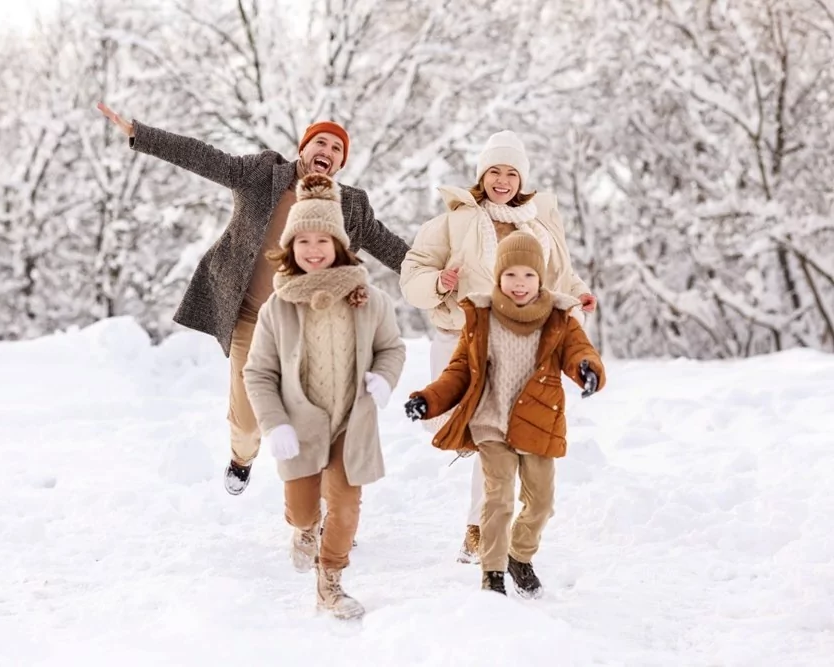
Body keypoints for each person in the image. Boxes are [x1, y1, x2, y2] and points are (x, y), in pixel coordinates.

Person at [97, 103, 409, 495]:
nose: (326, 152)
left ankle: (326, 504)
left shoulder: (350, 205)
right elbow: (204, 157)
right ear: (304, 148)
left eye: (336, 149)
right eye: (321, 143)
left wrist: (436, 272)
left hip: (313, 327)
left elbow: (390, 247)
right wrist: (140, 134)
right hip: (252, 318)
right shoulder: (263, 174)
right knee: (246, 423)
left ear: (341, 163)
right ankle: (242, 457)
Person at [399, 129, 597, 563]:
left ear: (522, 178)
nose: (502, 181)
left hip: (519, 341)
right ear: (482, 175)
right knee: (467, 428)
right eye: (494, 171)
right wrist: (438, 282)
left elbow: (559, 273)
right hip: (459, 336)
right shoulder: (455, 220)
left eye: (511, 172)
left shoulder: (539, 223)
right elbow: (412, 272)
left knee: (498, 435)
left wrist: (578, 296)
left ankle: (478, 528)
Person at [404, 231, 605, 597]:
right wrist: (428, 400)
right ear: (498, 277)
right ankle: (493, 573)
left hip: (540, 422)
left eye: (528, 275)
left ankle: (520, 557)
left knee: (541, 501)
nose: (519, 283)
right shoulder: (481, 318)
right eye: (511, 275)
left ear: (540, 278)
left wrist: (588, 370)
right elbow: (458, 372)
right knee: (497, 498)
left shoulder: (559, 318)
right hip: (491, 422)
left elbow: (580, 352)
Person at [242, 174, 406, 619]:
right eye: (303, 241)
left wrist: (385, 378)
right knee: (301, 509)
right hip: (299, 423)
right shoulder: (277, 307)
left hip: (351, 423)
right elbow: (258, 372)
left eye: (323, 240)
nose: (313, 250)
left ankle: (330, 582)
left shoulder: (369, 299)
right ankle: (302, 530)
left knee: (347, 507)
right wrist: (274, 423)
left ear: (339, 244)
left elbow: (392, 347)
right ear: (290, 248)